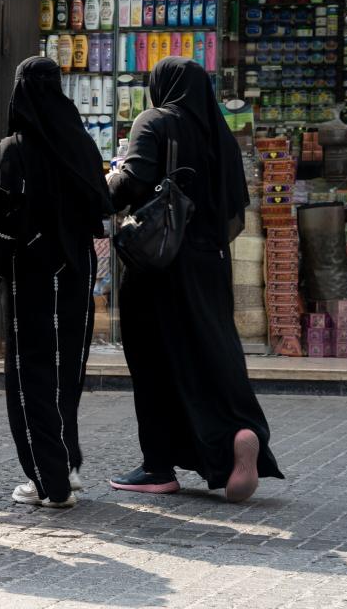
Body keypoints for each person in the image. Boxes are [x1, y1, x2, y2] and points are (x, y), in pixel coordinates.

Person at [107, 56, 283, 503]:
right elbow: (234, 207)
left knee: (154, 363)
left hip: (160, 266)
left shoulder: (155, 121)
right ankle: (236, 432)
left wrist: (108, 175)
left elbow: (130, 185)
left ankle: (158, 466)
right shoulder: (218, 134)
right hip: (211, 263)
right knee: (209, 354)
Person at [0, 56, 112, 509]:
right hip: (77, 274)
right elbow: (100, 212)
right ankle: (64, 464)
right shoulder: (81, 146)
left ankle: (50, 482)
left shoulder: (12, 152)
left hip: (33, 275)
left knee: (33, 376)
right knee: (66, 372)